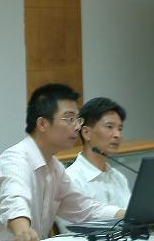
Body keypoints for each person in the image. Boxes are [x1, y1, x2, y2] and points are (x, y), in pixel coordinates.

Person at [0, 84, 125, 241]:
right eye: (69, 119)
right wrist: (22, 229)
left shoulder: (55, 168)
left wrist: (131, 215)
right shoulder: (15, 160)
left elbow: (85, 210)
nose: (77, 127)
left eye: (78, 119)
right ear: (42, 123)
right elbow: (14, 200)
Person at [56, 97, 131, 233]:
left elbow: (134, 219)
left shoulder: (118, 178)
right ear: (86, 133)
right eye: (109, 127)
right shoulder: (70, 180)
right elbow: (71, 233)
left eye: (120, 129)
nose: (117, 135)